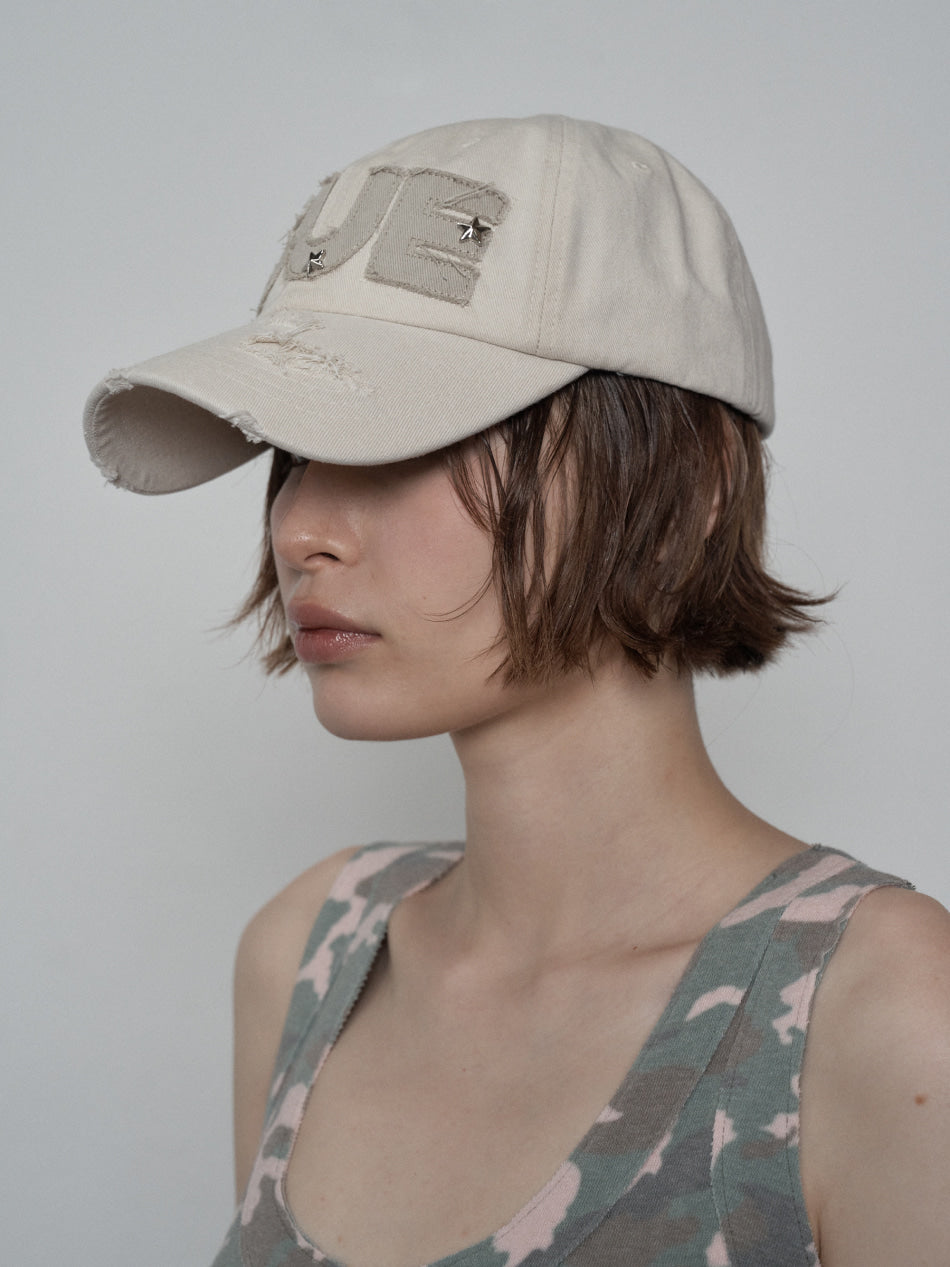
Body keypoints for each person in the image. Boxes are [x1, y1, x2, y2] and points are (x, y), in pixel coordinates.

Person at [83, 115, 950, 1267]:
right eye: (289, 452)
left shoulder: (878, 1013)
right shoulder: (307, 955)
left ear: (686, 489)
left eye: (401, 440)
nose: (299, 528)